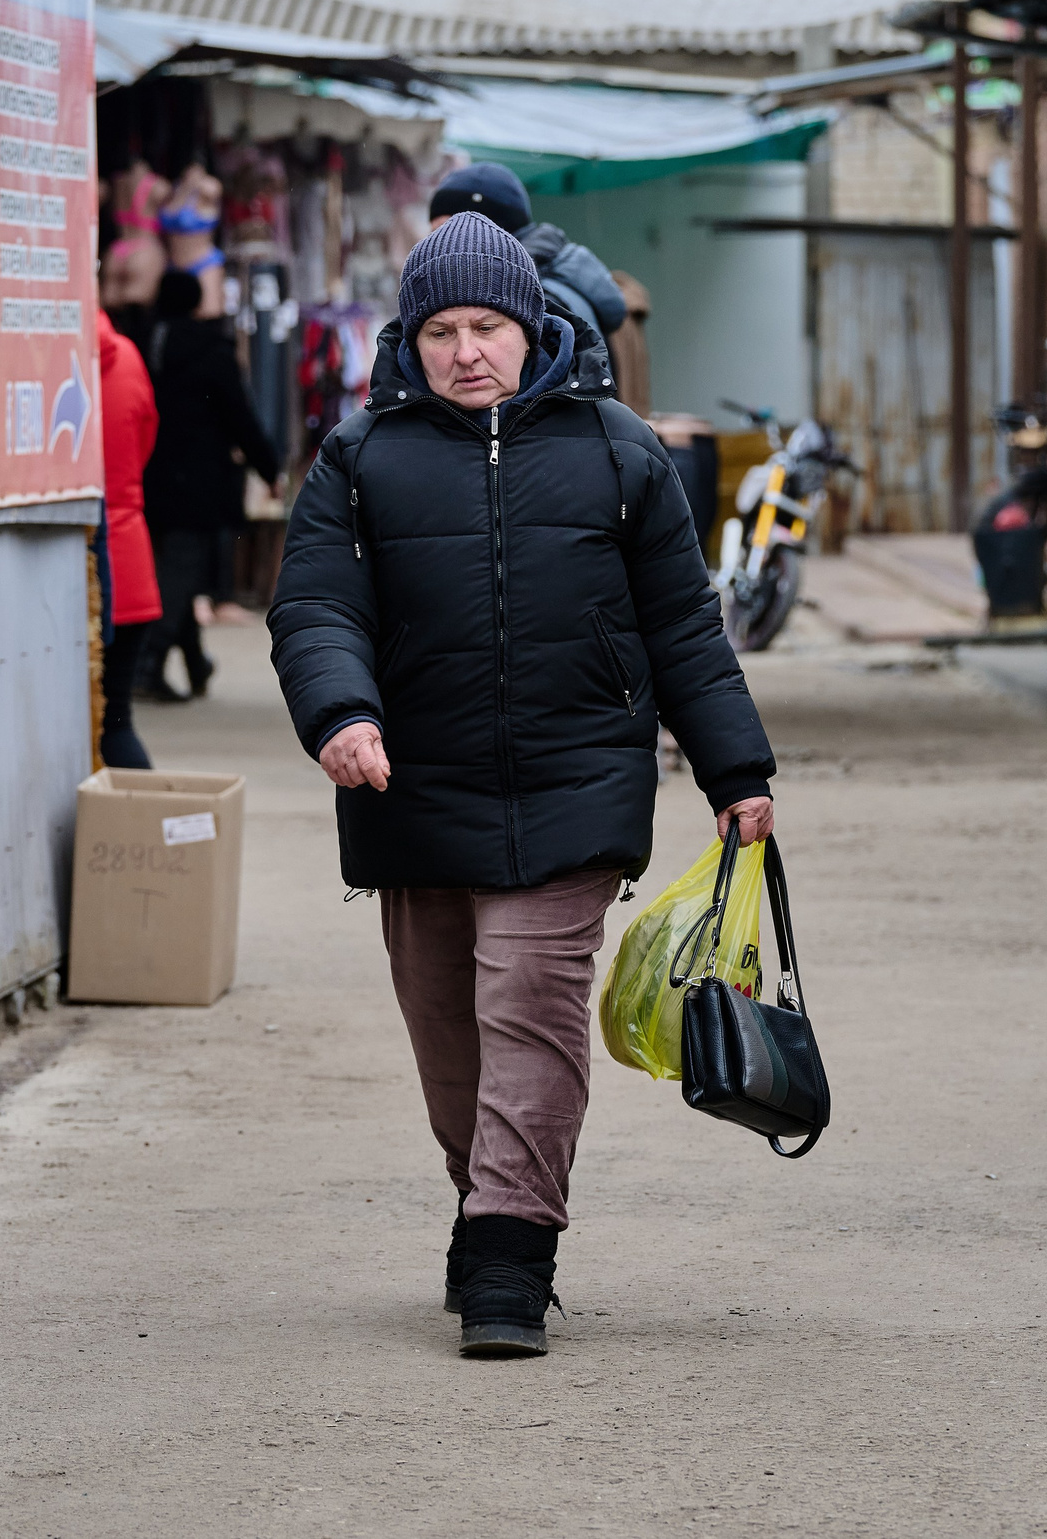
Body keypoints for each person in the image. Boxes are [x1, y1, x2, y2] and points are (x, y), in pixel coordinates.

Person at [267, 213, 777, 1358]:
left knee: (530, 1016)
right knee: (450, 1032)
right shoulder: (360, 458)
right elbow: (313, 608)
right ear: (413, 337)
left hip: (574, 782)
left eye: (487, 326)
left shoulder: (616, 450)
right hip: (414, 789)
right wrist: (341, 714)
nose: (465, 352)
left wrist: (734, 767)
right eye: (440, 330)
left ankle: (509, 1253)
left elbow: (683, 627)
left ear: (531, 325)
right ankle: (485, 1195)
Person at [142, 268, 281, 701]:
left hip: (149, 474)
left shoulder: (143, 344)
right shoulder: (209, 350)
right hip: (197, 480)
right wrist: (269, 468)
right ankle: (146, 666)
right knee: (182, 571)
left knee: (178, 568)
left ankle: (195, 662)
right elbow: (238, 415)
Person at [425, 163, 628, 356]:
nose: (438, 244)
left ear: (491, 228)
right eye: (434, 233)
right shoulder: (550, 279)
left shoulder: (534, 298)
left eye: (447, 230)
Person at [94, 308, 161, 767]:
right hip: (131, 563)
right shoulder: (128, 354)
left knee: (94, 724)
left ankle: (124, 832)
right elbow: (145, 437)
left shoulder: (40, 356)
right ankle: (138, 833)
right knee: (116, 718)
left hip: (79, 573)